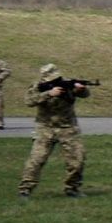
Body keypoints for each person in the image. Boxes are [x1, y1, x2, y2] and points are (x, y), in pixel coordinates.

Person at [18, 64, 88, 198]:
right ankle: (25, 189)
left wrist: (81, 90)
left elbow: (85, 94)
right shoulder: (37, 86)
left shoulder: (68, 83)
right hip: (45, 128)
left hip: (68, 127)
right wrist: (48, 94)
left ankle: (72, 188)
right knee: (36, 160)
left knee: (78, 159)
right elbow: (29, 101)